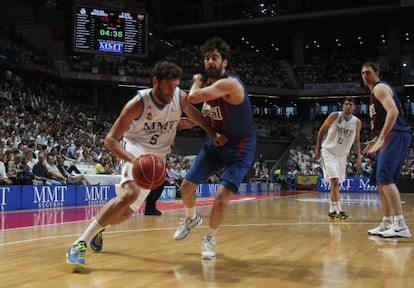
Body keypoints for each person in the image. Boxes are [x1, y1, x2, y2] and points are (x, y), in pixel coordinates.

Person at [65, 61, 227, 269]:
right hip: (135, 151)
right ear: (155, 82)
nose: (172, 92)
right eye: (168, 87)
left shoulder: (179, 97)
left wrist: (212, 132)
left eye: (175, 86)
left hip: (157, 159)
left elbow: (191, 115)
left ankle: (99, 228)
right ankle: (79, 244)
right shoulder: (138, 103)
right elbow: (110, 140)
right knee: (130, 193)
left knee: (124, 213)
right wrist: (135, 160)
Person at [172, 37, 257, 260]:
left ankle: (209, 237)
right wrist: (196, 125)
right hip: (215, 144)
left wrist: (197, 80)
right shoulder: (211, 87)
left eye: (215, 57)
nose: (210, 61)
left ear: (224, 62)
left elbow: (193, 97)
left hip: (240, 147)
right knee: (186, 186)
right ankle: (191, 218)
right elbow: (206, 114)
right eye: (207, 57)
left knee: (220, 198)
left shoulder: (230, 83)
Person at [361, 61, 411, 238]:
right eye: (362, 73)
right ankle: (387, 221)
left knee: (385, 177)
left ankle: (400, 224)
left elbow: (393, 112)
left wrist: (381, 138)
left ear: (376, 72)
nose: (365, 76)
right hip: (391, 135)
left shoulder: (380, 88)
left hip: (396, 134)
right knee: (379, 180)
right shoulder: (374, 92)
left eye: (368, 72)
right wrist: (376, 139)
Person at [315, 97, 362, 221]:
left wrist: (358, 156)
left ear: (354, 107)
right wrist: (317, 148)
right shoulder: (335, 116)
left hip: (342, 155)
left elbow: (356, 141)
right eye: (346, 104)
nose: (348, 106)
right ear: (343, 105)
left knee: (336, 184)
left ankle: (332, 210)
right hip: (328, 151)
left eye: (351, 104)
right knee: (334, 181)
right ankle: (339, 210)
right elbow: (321, 131)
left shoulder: (357, 122)